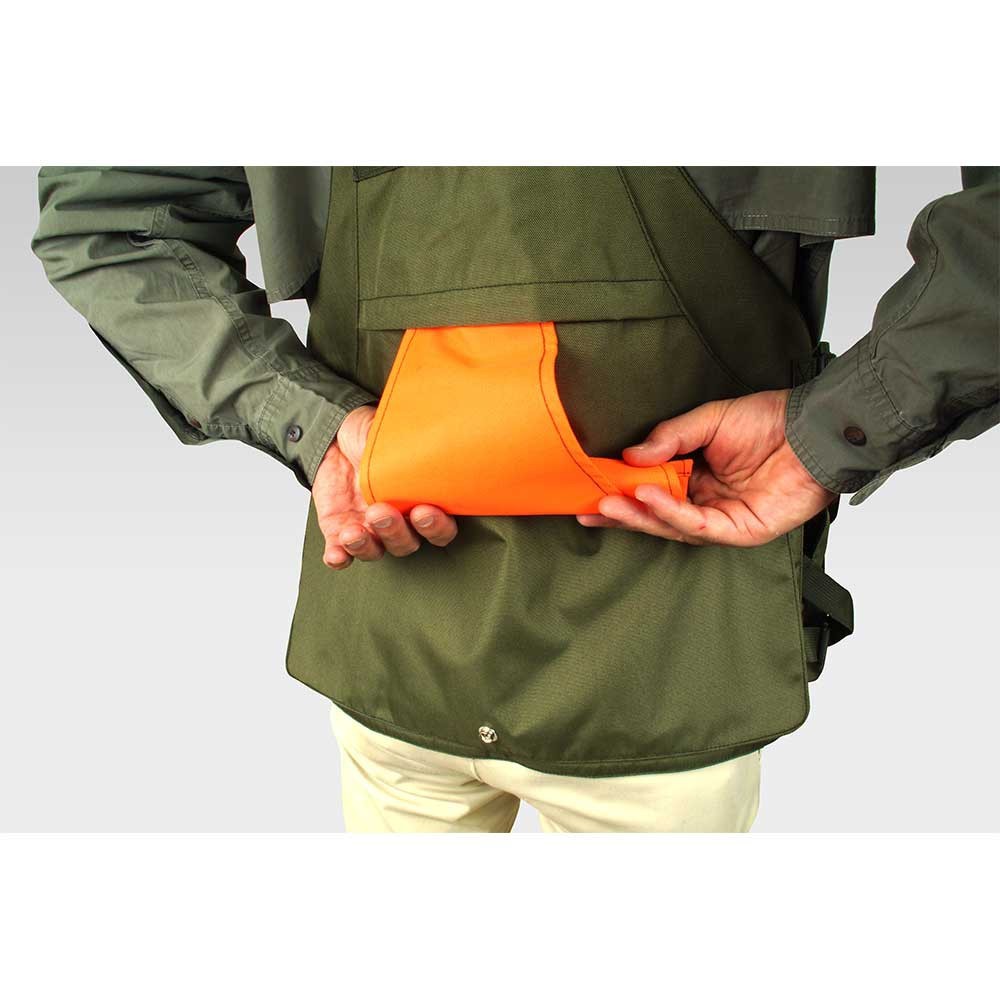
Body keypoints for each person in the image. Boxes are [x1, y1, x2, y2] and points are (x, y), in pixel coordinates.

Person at [33, 167, 999, 832]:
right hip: (554, 661)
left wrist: (316, 422)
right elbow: (109, 219)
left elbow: (110, 222)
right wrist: (839, 425)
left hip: (618, 665)